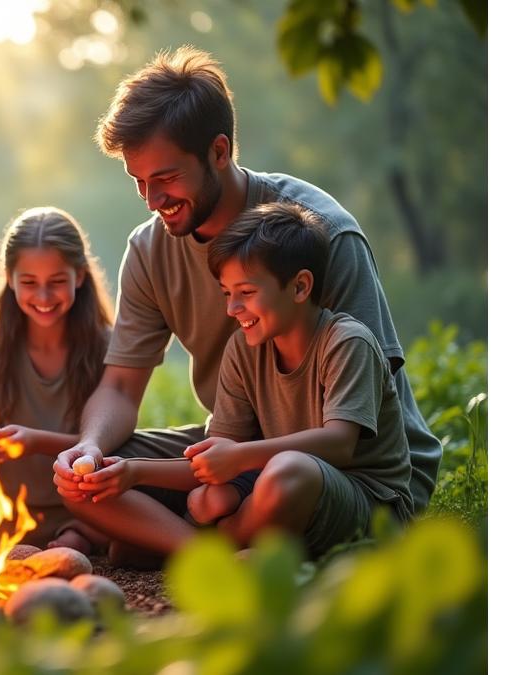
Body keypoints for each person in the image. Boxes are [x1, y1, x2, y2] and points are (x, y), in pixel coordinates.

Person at [53, 46, 441, 562]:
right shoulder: (149, 250)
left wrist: (240, 462)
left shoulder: (321, 234)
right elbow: (121, 387)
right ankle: (209, 553)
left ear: (218, 152)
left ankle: (182, 540)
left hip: (340, 468)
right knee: (93, 477)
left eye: (165, 178)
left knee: (276, 477)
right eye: (138, 182)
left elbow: (360, 418)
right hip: (235, 451)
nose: (151, 200)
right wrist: (91, 448)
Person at [64, 203, 414, 556]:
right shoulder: (244, 349)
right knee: (196, 496)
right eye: (227, 293)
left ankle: (205, 548)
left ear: (300, 287)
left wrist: (240, 457)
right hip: (272, 486)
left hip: (366, 502)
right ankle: (218, 553)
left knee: (287, 472)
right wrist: (133, 472)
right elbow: (216, 461)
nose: (232, 309)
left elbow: (339, 443)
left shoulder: (346, 341)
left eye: (246, 293)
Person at [0, 206, 114, 551]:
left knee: (119, 504)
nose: (43, 297)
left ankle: (74, 541)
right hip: (8, 510)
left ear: (80, 276)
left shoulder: (107, 348)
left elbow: (111, 447)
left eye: (57, 282)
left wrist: (34, 442)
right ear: (10, 278)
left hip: (83, 507)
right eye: (29, 283)